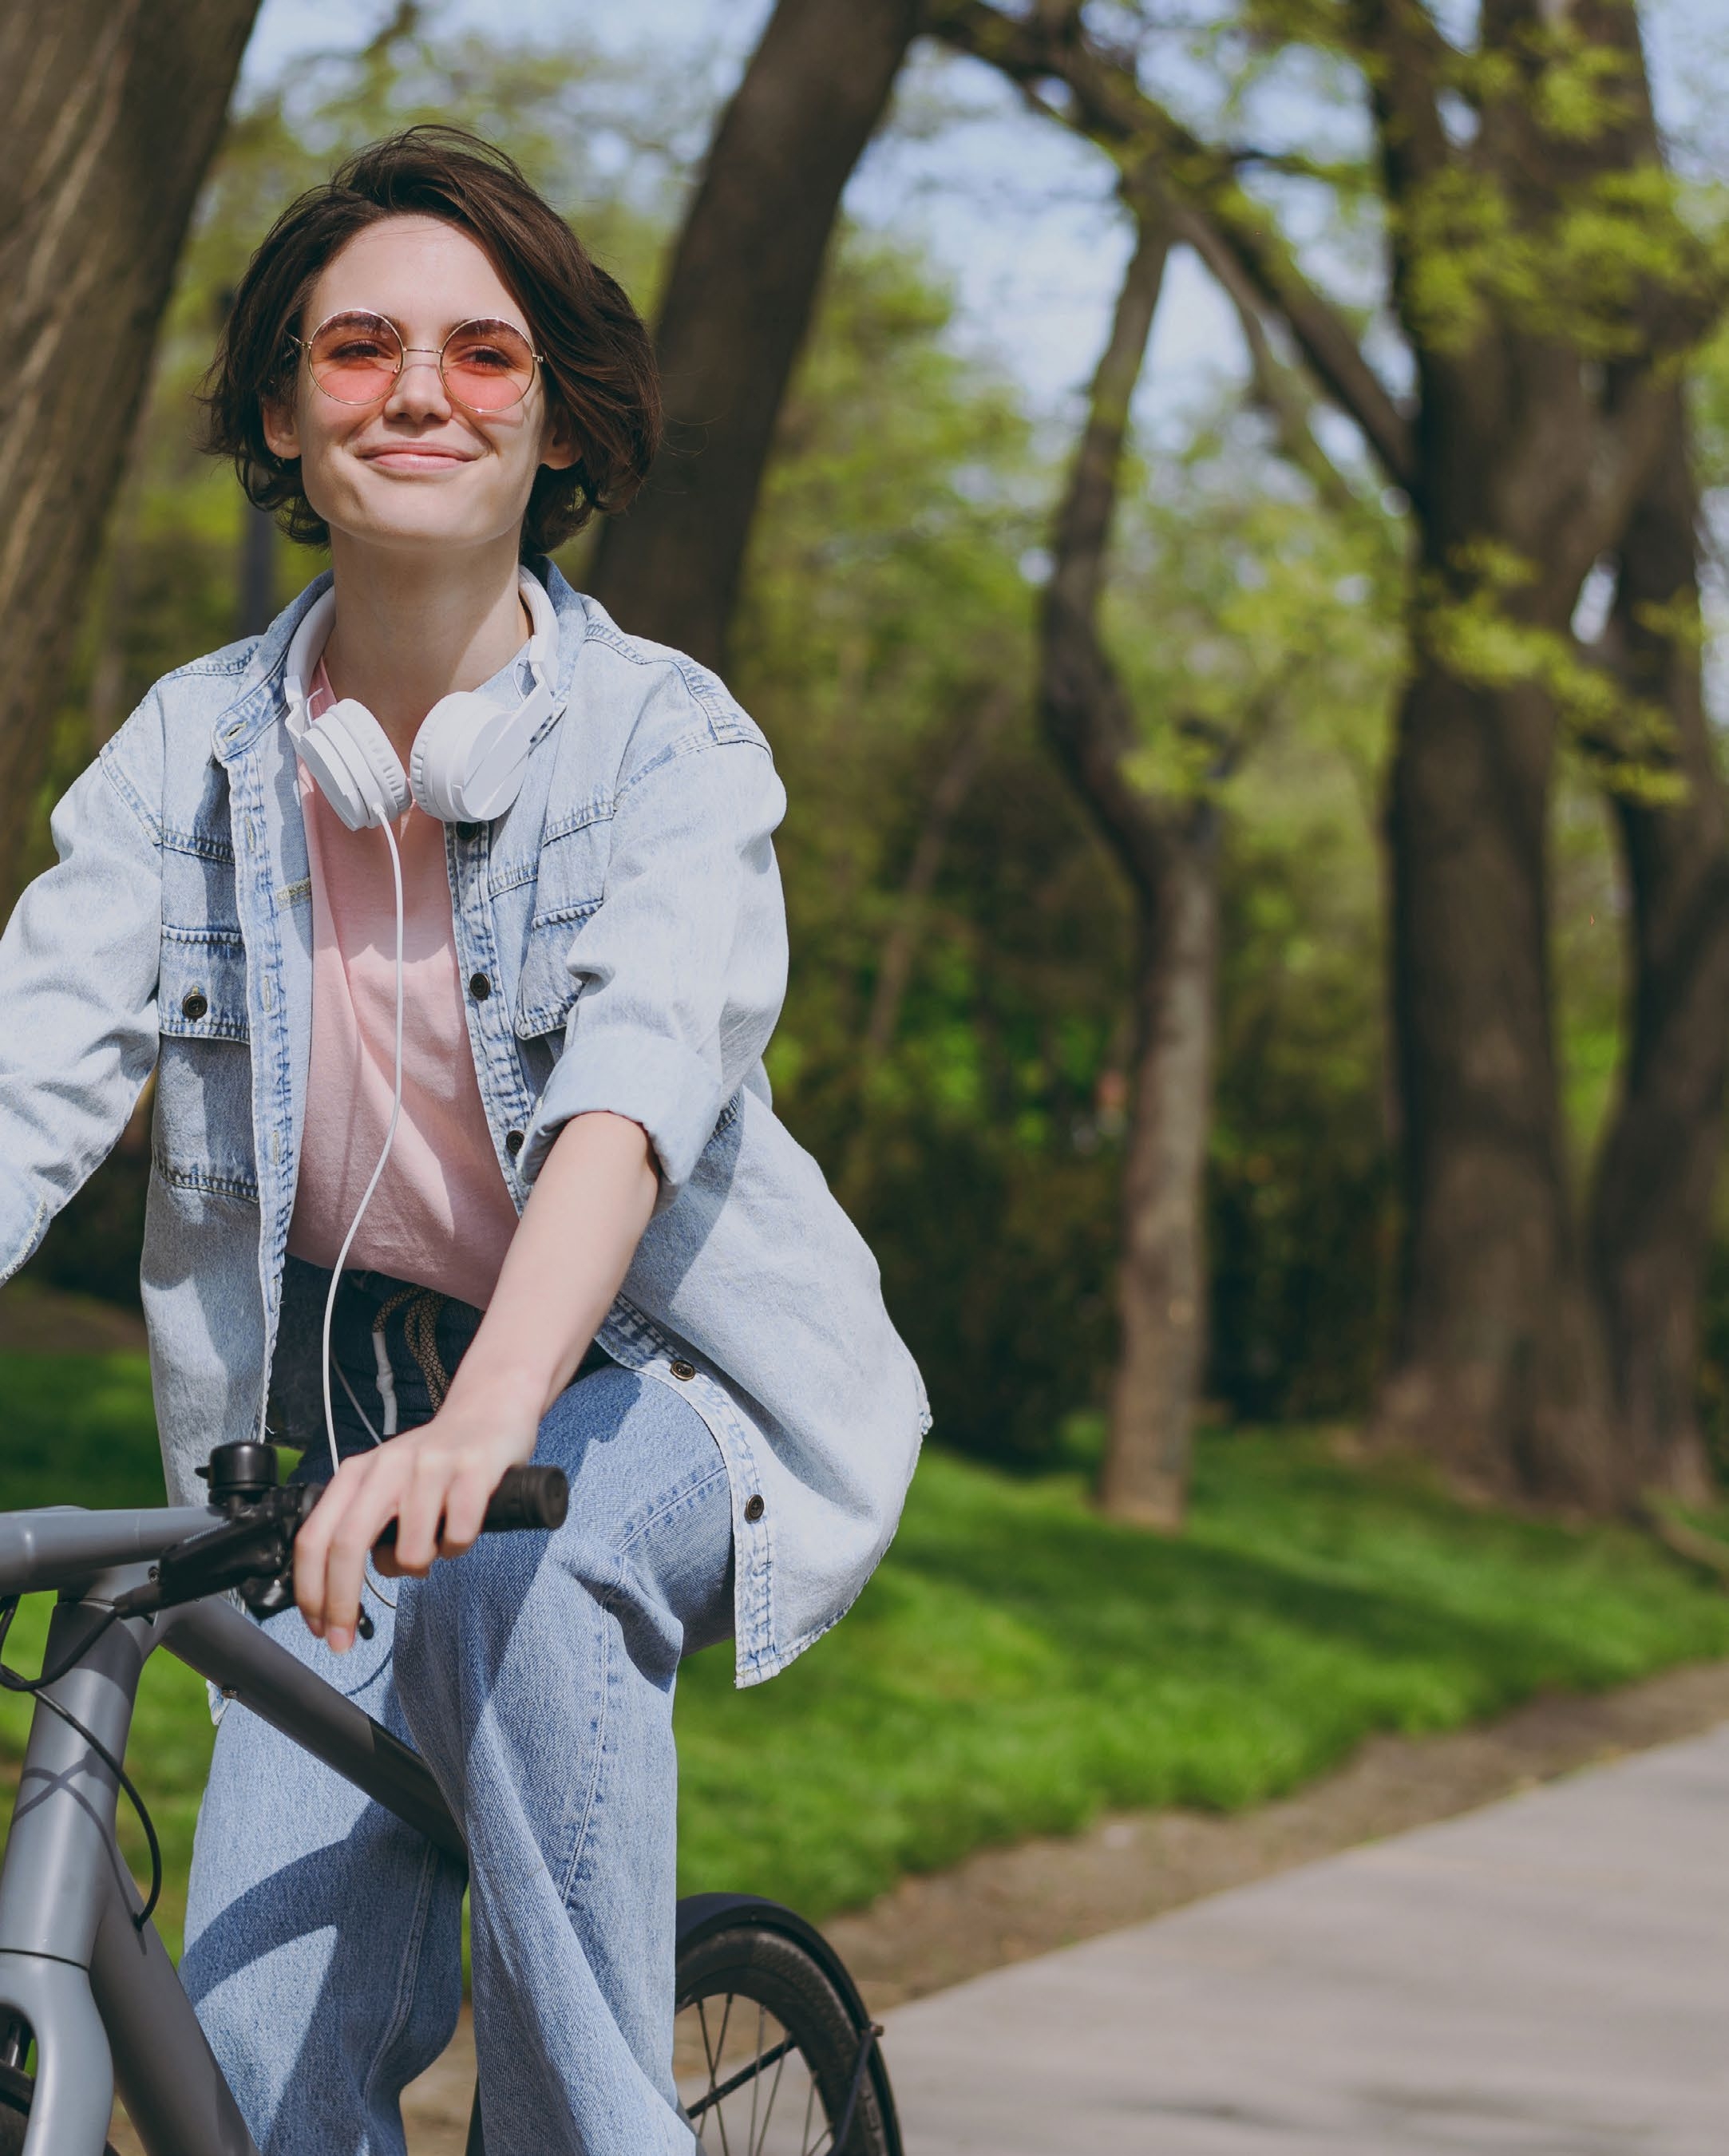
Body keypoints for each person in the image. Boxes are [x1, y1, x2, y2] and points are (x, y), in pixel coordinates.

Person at [0, 126, 926, 2154]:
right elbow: (21, 1080)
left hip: (656, 1390)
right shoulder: (188, 756)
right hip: (331, 1454)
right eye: (357, 347)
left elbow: (632, 1090)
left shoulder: (669, 745)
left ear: (559, 414)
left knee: (536, 1570)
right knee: (243, 2073)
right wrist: (405, 1448)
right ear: (280, 408)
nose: (418, 391)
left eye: (482, 354)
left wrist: (489, 1420)